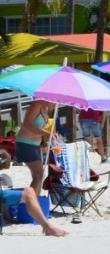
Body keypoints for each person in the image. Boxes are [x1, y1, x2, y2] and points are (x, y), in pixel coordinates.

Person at [14, 100, 67, 236]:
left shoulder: (46, 107)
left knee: (38, 175)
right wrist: (45, 133)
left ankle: (32, 206)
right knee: (38, 175)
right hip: (25, 142)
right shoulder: (36, 104)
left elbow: (39, 130)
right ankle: (31, 206)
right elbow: (26, 124)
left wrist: (47, 136)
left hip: (34, 144)